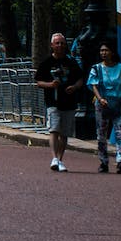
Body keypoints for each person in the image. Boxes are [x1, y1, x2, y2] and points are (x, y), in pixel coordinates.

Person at [35, 33, 83, 172]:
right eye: (57, 43)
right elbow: (38, 82)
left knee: (65, 133)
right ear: (52, 45)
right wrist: (50, 85)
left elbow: (80, 79)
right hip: (53, 101)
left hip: (69, 102)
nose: (60, 46)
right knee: (54, 129)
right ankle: (54, 158)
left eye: (62, 43)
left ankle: (60, 160)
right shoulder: (46, 63)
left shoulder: (71, 62)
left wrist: (74, 87)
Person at [86, 40, 121, 173]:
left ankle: (120, 160)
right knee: (101, 134)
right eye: (102, 51)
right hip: (102, 105)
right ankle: (103, 161)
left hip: (118, 103)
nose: (104, 53)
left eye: (106, 50)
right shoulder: (96, 68)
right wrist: (100, 98)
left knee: (120, 133)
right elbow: (93, 85)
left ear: (112, 52)